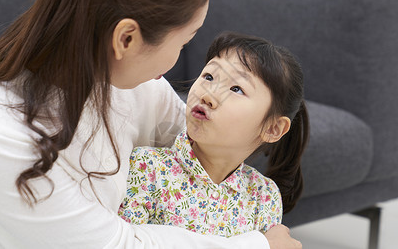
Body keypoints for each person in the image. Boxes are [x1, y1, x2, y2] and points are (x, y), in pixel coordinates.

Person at [0, 0, 302, 248]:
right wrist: (259, 244)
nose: (207, 92)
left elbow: (204, 144)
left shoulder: (134, 85)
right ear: (127, 39)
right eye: (184, 42)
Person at [118, 32, 309, 237]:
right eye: (209, 77)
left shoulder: (264, 196)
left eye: (236, 89)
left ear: (272, 129)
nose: (208, 95)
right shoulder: (147, 168)